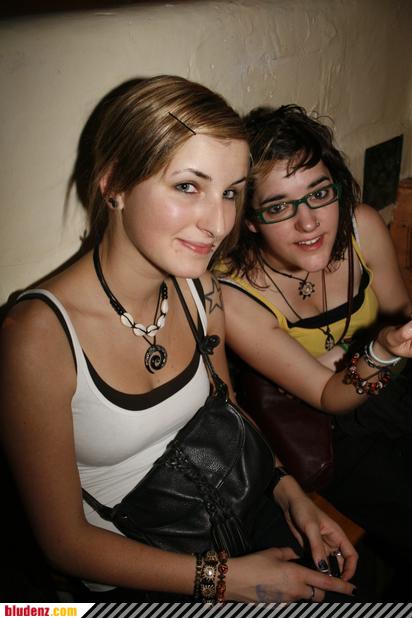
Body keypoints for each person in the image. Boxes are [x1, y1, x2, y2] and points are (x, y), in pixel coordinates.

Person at [0, 79, 357, 604]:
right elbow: (64, 544)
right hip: (139, 574)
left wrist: (290, 494)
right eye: (188, 186)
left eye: (230, 192)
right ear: (114, 183)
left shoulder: (200, 289)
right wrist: (225, 580)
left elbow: (226, 408)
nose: (219, 223)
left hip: (239, 509)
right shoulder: (38, 337)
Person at [218, 104, 412, 572]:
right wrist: (380, 349)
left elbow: (400, 314)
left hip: (398, 384)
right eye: (278, 207)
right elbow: (329, 396)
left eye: (320, 193)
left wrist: (361, 349)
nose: (309, 223)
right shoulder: (233, 294)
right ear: (249, 220)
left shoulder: (362, 226)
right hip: (333, 431)